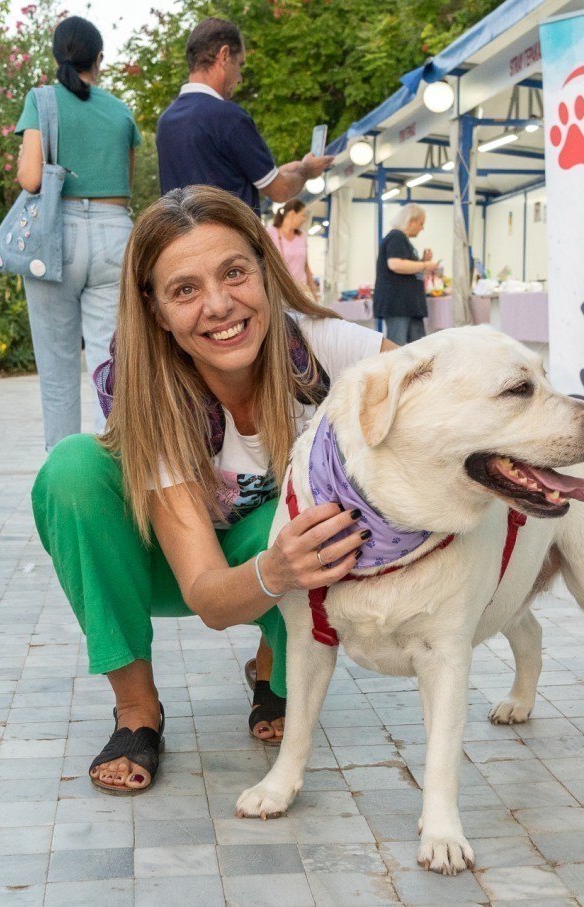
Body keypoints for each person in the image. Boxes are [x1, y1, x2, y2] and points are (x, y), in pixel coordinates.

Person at [31, 185, 395, 794]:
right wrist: (275, 571)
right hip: (165, 569)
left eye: (233, 273)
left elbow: (440, 387)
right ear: (155, 310)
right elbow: (208, 599)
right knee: (72, 468)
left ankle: (277, 666)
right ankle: (137, 706)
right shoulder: (150, 397)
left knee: (310, 515)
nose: (220, 306)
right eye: (185, 290)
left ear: (265, 268)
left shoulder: (324, 347)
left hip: (270, 552)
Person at [15, 15, 141, 451]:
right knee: (112, 368)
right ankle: (114, 465)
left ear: (57, 57)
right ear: (98, 58)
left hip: (56, 236)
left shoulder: (41, 100)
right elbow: (126, 185)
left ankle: (65, 472)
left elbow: (31, 178)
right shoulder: (120, 110)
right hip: (115, 234)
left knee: (57, 371)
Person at [155, 17, 333, 212]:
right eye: (239, 64)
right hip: (230, 231)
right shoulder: (228, 116)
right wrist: (306, 170)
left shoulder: (166, 122)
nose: (240, 78)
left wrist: (278, 173)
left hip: (182, 230)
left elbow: (218, 178)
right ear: (224, 55)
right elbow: (280, 191)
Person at [374, 203, 440, 346]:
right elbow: (395, 264)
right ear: (411, 221)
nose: (422, 228)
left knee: (417, 347)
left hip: (408, 305)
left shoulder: (401, 239)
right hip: (399, 305)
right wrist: (425, 265)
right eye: (421, 223)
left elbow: (404, 264)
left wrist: (421, 261)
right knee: (397, 348)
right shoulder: (396, 237)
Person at [267, 198, 316, 300]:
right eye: (303, 215)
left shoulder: (302, 235)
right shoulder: (271, 233)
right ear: (292, 214)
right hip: (281, 291)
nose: (304, 219)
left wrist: (312, 289)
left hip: (302, 290)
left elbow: (305, 265)